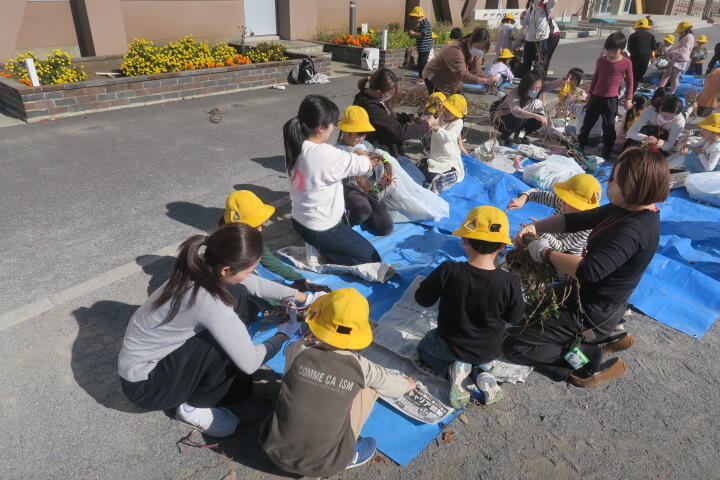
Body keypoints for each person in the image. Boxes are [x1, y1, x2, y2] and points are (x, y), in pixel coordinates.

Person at [118, 223, 317, 437]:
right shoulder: (210, 303)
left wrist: (306, 298)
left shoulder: (202, 267)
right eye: (248, 271)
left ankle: (215, 386)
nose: (250, 275)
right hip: (147, 385)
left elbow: (255, 284)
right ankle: (193, 406)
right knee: (226, 342)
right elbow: (250, 362)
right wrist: (283, 334)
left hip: (152, 361)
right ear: (226, 270)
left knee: (239, 294)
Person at [504, 147, 669, 387]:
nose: (608, 181)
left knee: (514, 344)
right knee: (522, 315)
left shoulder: (633, 231)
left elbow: (589, 271)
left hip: (590, 311)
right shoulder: (625, 209)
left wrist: (544, 252)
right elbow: (577, 219)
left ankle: (586, 360)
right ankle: (592, 340)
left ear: (633, 186)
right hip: (577, 293)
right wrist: (536, 228)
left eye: (614, 178)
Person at [260, 288, 415, 477]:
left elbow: (292, 364)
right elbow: (394, 387)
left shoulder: (297, 350)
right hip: (325, 465)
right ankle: (348, 456)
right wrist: (408, 384)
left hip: (274, 450)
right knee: (370, 388)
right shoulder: (361, 367)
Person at [415, 206, 524, 407]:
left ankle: (456, 371)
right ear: (502, 246)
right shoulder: (511, 281)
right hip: (488, 351)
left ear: (465, 239)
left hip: (450, 346)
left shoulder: (449, 270)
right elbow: (515, 318)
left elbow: (422, 299)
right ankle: (479, 372)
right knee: (475, 357)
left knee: (424, 349)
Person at [284, 95, 381, 267]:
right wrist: (359, 149)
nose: (333, 128)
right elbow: (365, 165)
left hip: (299, 221)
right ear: (321, 127)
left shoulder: (296, 145)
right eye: (333, 124)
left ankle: (319, 244)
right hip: (320, 228)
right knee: (372, 260)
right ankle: (322, 251)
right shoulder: (326, 154)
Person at [506, 173, 602, 256]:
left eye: (568, 202)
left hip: (562, 258)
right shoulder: (562, 202)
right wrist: (523, 199)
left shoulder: (586, 228)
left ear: (581, 208)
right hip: (550, 238)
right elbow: (536, 193)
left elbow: (561, 247)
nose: (562, 204)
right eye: (564, 199)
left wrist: (540, 229)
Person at [354, 68, 438, 161]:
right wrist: (427, 124)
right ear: (378, 92)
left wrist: (408, 118)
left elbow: (387, 116)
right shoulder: (370, 107)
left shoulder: (374, 98)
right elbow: (399, 132)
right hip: (382, 155)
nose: (390, 96)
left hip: (390, 150)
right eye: (389, 94)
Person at [335, 106, 394, 236]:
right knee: (362, 209)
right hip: (349, 189)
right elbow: (345, 177)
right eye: (359, 134)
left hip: (369, 188)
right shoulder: (339, 150)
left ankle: (367, 217)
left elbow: (377, 169)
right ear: (346, 131)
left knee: (385, 228)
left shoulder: (367, 145)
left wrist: (380, 166)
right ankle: (345, 220)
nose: (362, 138)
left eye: (364, 134)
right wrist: (363, 157)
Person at [579, 31, 634, 159]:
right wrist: (589, 94)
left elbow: (630, 81)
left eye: (614, 50)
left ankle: (607, 149)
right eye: (608, 49)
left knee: (609, 125)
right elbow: (596, 77)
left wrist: (629, 98)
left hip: (611, 99)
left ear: (621, 49)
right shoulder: (601, 61)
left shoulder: (626, 62)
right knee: (587, 122)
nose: (611, 53)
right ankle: (581, 144)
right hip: (596, 96)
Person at [422, 27, 499, 95]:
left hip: (452, 83)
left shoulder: (476, 52)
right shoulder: (455, 50)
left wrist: (490, 78)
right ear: (471, 40)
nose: (480, 51)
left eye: (482, 50)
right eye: (478, 48)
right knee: (440, 104)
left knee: (460, 103)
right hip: (434, 80)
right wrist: (486, 81)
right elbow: (463, 75)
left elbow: (477, 71)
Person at [419, 94, 467, 194]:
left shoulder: (458, 122)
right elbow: (429, 117)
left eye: (450, 111)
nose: (446, 112)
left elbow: (450, 136)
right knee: (422, 166)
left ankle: (448, 177)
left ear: (457, 114)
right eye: (446, 108)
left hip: (449, 158)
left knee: (442, 175)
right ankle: (434, 178)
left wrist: (436, 128)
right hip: (435, 155)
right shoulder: (440, 117)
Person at [492, 72, 548, 146]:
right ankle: (504, 137)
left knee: (538, 121)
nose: (536, 90)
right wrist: (535, 115)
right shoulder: (515, 94)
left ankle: (520, 136)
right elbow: (516, 111)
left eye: (539, 88)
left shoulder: (536, 96)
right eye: (533, 88)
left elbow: (551, 85)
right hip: (501, 120)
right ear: (526, 86)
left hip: (521, 119)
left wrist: (561, 81)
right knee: (520, 118)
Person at [517, 0, 557, 77]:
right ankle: (526, 79)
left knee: (539, 62)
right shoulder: (531, 8)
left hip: (541, 38)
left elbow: (554, 2)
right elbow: (524, 23)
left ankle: (538, 79)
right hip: (529, 38)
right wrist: (522, 17)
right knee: (526, 62)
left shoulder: (546, 5)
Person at [659, 21, 695, 94]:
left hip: (681, 59)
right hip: (675, 58)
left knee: (675, 77)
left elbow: (685, 49)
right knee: (667, 74)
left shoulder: (689, 37)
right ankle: (660, 89)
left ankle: (672, 92)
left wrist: (672, 52)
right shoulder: (685, 36)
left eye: (680, 31)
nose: (679, 33)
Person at [627, 17, 657, 92]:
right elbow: (654, 48)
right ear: (647, 28)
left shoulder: (633, 35)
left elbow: (629, 48)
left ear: (637, 28)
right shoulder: (651, 36)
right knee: (639, 76)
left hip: (634, 57)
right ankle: (632, 92)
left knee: (631, 75)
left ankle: (628, 90)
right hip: (645, 59)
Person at [407, 6, 433, 78]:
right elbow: (418, 34)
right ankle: (421, 76)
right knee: (420, 62)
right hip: (421, 48)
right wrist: (413, 34)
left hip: (425, 48)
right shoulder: (420, 23)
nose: (412, 20)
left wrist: (413, 34)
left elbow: (422, 34)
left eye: (413, 18)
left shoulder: (425, 23)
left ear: (419, 17)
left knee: (422, 64)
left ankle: (422, 78)